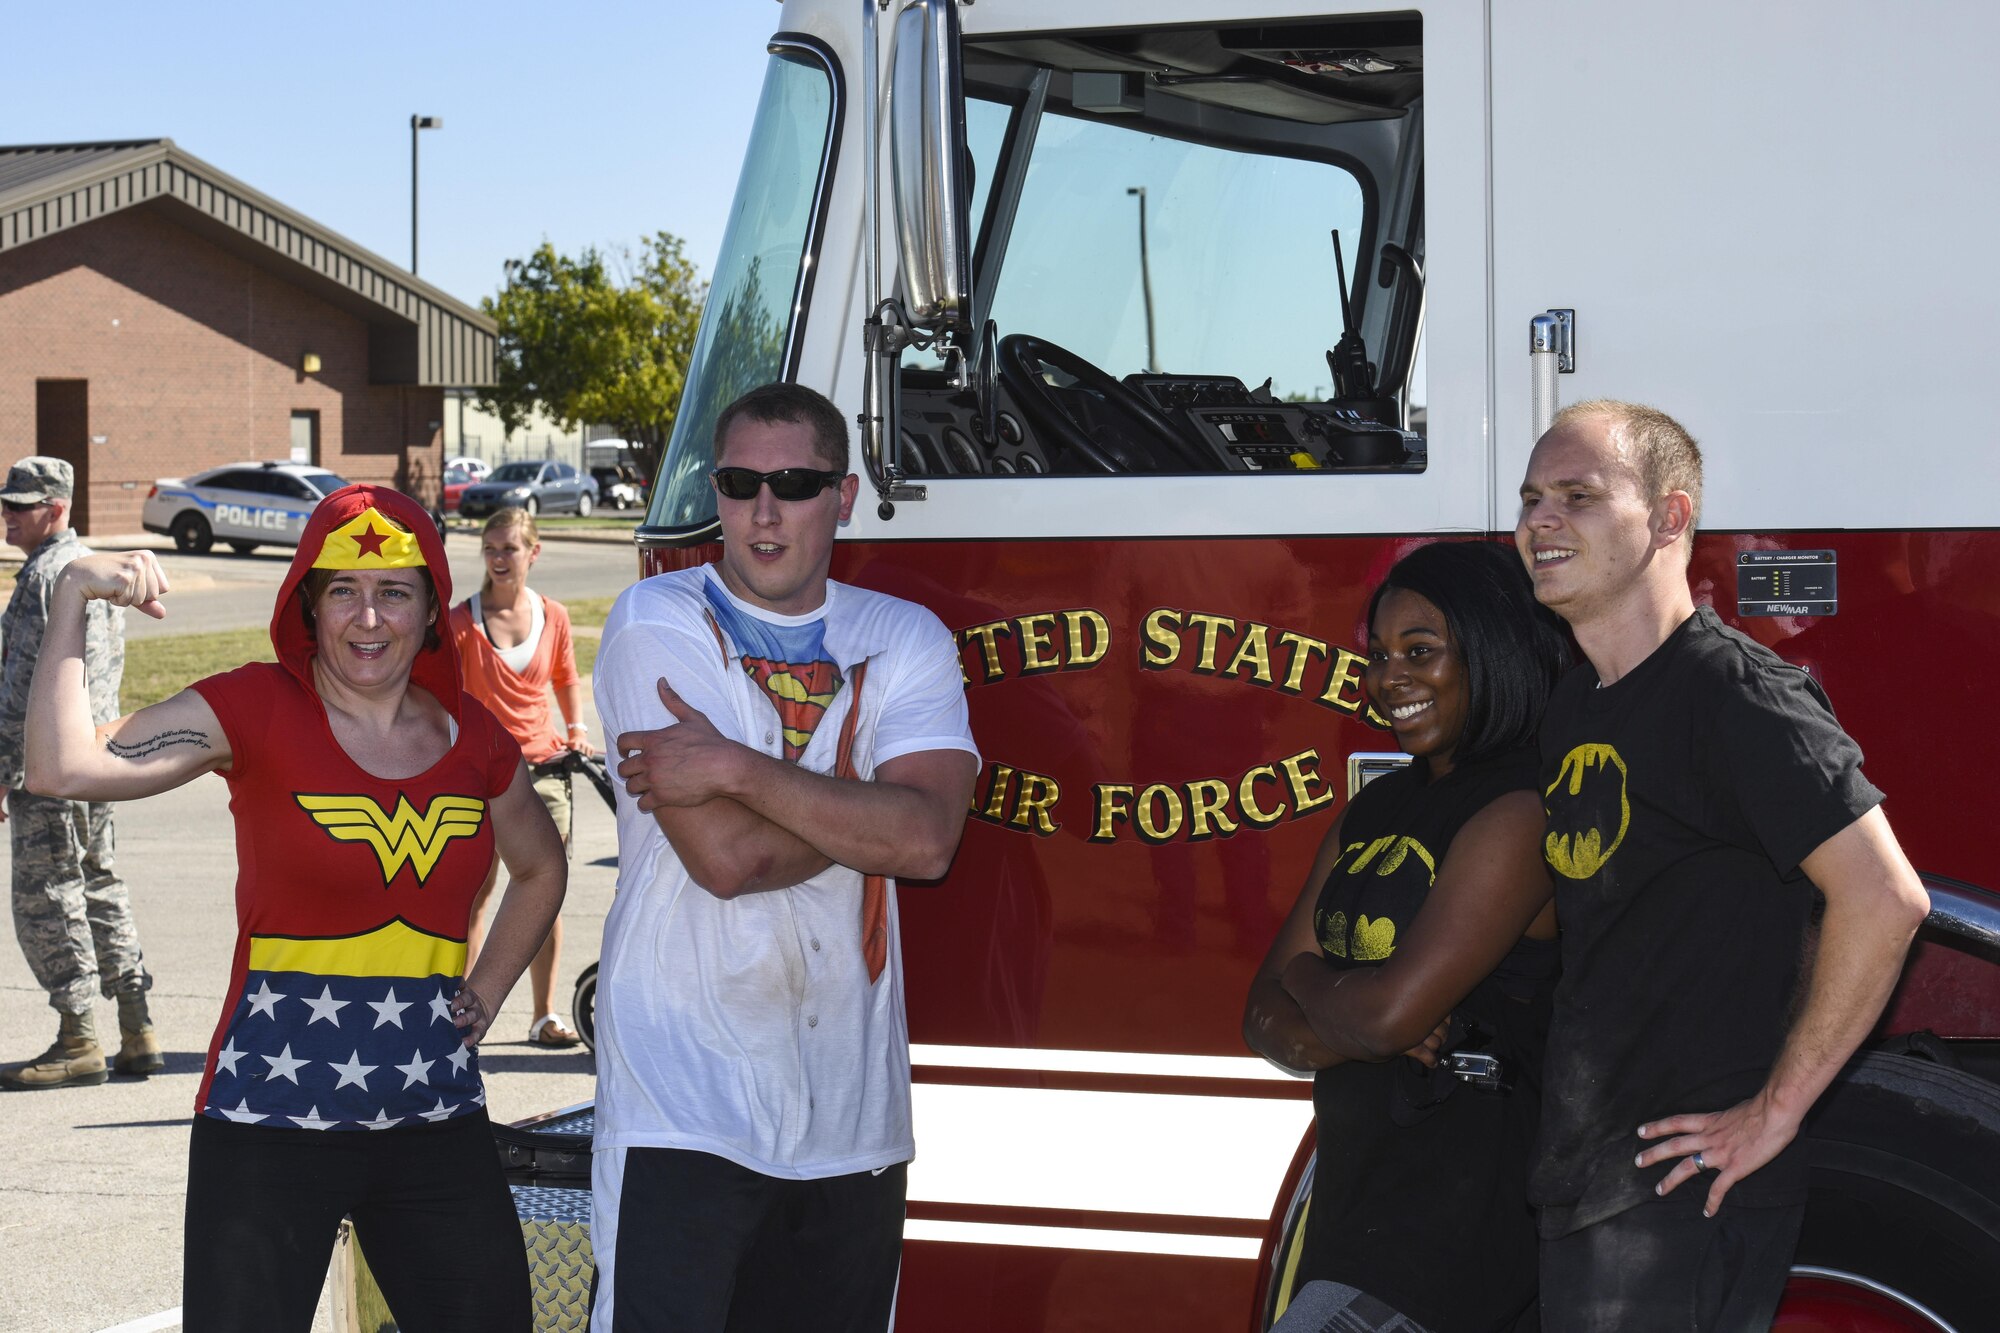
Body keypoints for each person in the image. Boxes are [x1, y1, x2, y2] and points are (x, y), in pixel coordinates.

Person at [24, 484, 566, 1331]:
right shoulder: (252, 708)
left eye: (395, 590)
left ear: (432, 610)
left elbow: (541, 867)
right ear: (308, 605)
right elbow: (64, 768)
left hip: (433, 1120)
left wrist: (488, 992)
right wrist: (72, 594)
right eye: (342, 588)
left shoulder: (478, 739)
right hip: (266, 1122)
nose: (369, 616)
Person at [1515, 400, 1929, 1330]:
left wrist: (1775, 1111)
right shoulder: (1578, 705)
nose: (1541, 520)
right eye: (1533, 497)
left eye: (1578, 495)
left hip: (1685, 1197)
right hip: (1592, 1185)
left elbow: (1886, 896)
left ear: (1671, 518)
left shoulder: (1736, 694)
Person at [591, 382, 980, 1332]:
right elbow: (725, 859)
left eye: (796, 483)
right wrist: (862, 800)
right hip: (681, 1101)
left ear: (842, 497)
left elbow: (929, 843)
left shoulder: (904, 637)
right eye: (740, 482)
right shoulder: (656, 621)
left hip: (854, 1117)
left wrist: (732, 765)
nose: (765, 512)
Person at [1243, 540, 1570, 1333]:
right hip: (1355, 1222)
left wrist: (1317, 984)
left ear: (1491, 651)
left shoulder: (1522, 811)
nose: (1389, 678)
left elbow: (1385, 1015)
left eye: (1420, 652)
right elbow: (1259, 1010)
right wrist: (1351, 1016)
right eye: (1379, 655)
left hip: (1450, 1248)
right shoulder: (1376, 807)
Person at [0, 456, 158, 1089]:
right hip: (96, 756)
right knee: (99, 884)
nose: (8, 515)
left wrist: (7, 764)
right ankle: (136, 1028)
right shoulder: (91, 567)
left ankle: (78, 1037)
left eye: (20, 504)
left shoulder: (51, 573)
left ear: (57, 507)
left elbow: (22, 687)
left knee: (49, 895)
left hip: (50, 763)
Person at [453, 505, 591, 1047]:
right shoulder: (461, 621)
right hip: (479, 779)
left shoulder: (553, 614)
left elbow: (565, 675)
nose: (499, 559)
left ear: (533, 553)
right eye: (490, 548)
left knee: (542, 890)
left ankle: (544, 1015)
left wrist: (576, 727)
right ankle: (461, 1015)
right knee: (473, 895)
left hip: (544, 771)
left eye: (509, 548)